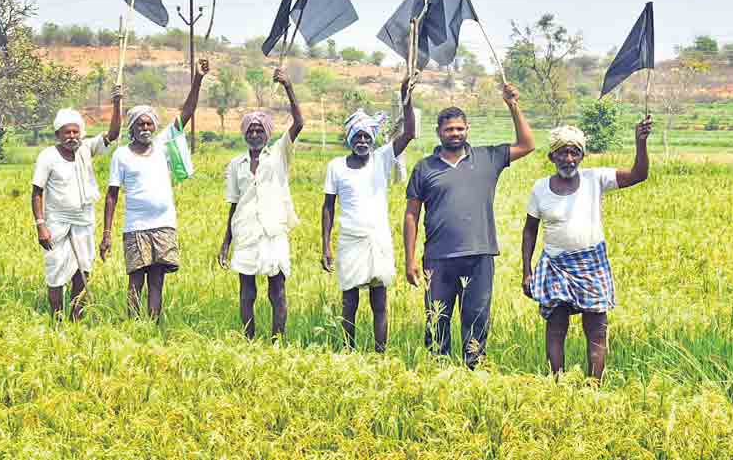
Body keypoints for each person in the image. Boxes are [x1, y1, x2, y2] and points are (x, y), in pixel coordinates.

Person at [403, 82, 535, 369]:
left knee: (476, 318)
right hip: (438, 258)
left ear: (468, 129)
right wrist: (410, 259)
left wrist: (513, 105)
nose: (455, 133)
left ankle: (474, 370)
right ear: (439, 132)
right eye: (449, 129)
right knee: (436, 320)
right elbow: (411, 214)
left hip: (479, 255)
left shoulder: (488, 157)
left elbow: (527, 145)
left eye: (459, 128)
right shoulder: (424, 168)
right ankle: (437, 371)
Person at [521, 118, 651, 380]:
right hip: (555, 265)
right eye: (562, 153)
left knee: (596, 329)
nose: (568, 159)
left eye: (574, 153)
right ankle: (556, 382)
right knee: (556, 327)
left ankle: (594, 386)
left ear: (582, 156)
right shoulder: (540, 188)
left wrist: (640, 142)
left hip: (592, 264)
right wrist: (527, 271)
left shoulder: (596, 178)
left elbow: (638, 175)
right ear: (551, 156)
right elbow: (529, 231)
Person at [100, 58, 209, 320]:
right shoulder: (122, 155)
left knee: (157, 281)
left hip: (164, 224)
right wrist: (106, 234)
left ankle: (152, 325)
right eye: (141, 124)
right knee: (136, 280)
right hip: (136, 226)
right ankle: (133, 325)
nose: (146, 128)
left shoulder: (162, 145)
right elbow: (112, 196)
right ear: (132, 128)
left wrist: (198, 79)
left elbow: (187, 112)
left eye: (149, 124)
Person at [321, 77, 415, 351]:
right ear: (350, 138)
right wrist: (325, 246)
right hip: (350, 239)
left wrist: (405, 96)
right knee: (349, 301)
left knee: (379, 301)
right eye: (357, 136)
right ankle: (348, 350)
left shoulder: (381, 158)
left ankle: (379, 352)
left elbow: (409, 133)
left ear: (372, 139)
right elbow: (328, 207)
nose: (362, 141)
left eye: (366, 136)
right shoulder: (336, 166)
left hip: (377, 239)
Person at [216, 68, 303, 339]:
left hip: (273, 232)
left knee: (277, 291)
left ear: (267, 134)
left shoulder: (278, 154)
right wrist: (226, 243)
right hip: (246, 232)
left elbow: (299, 123)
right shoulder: (236, 164)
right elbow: (233, 204)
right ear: (245, 134)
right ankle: (248, 339)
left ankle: (278, 340)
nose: (254, 134)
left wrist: (288, 86)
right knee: (247, 292)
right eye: (251, 130)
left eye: (259, 130)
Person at [32, 85, 123, 320]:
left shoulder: (85, 149)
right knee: (55, 272)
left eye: (75, 132)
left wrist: (116, 103)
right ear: (58, 135)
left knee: (83, 271)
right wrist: (41, 225)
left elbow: (113, 134)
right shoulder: (48, 156)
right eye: (67, 133)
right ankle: (57, 318)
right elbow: (37, 192)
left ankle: (76, 318)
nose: (72, 136)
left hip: (84, 221)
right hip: (56, 223)